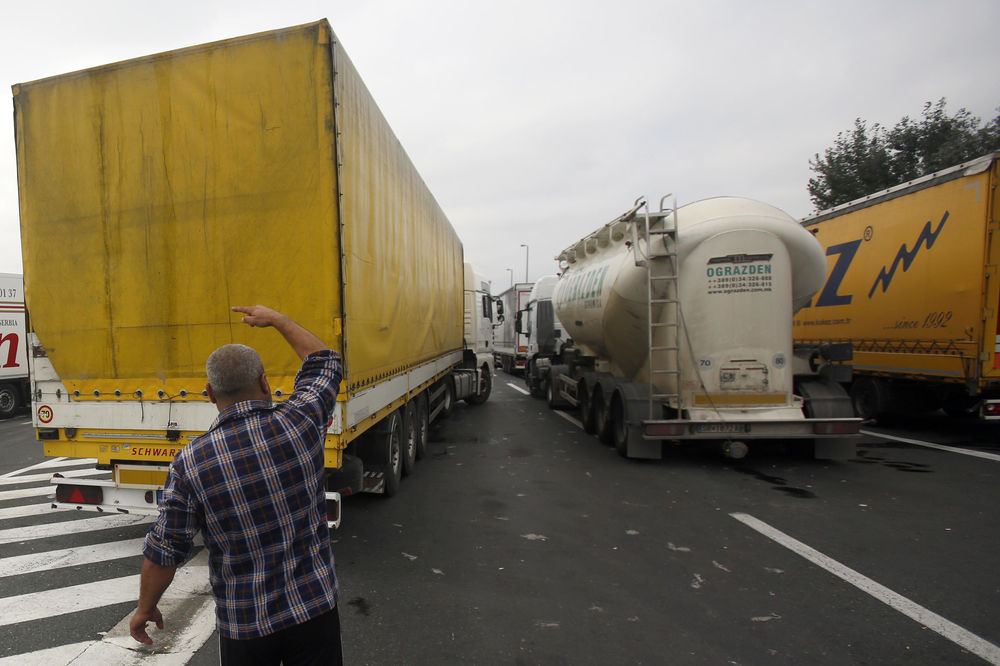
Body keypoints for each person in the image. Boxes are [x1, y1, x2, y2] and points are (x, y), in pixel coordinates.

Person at [130, 305, 344, 665]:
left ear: (210, 394)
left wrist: (144, 608)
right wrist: (278, 320)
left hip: (245, 625)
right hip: (314, 610)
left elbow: (166, 549)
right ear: (264, 382)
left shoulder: (192, 463)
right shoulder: (301, 421)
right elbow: (324, 361)